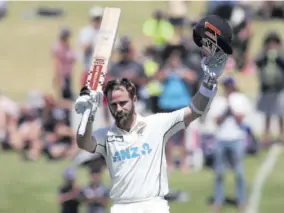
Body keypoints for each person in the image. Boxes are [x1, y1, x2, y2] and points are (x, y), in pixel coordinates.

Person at [74, 15, 233, 213]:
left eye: (123, 102)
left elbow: (196, 110)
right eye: (114, 104)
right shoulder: (106, 136)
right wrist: (88, 115)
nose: (119, 108)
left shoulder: (156, 124)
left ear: (134, 101)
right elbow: (83, 142)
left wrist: (210, 81)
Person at [207, 76, 251, 213]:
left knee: (239, 172)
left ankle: (241, 200)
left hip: (236, 139)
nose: (228, 88)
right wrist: (224, 110)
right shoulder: (218, 101)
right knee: (219, 173)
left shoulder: (240, 99)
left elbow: (240, 119)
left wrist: (231, 107)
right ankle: (218, 201)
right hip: (221, 139)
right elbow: (216, 121)